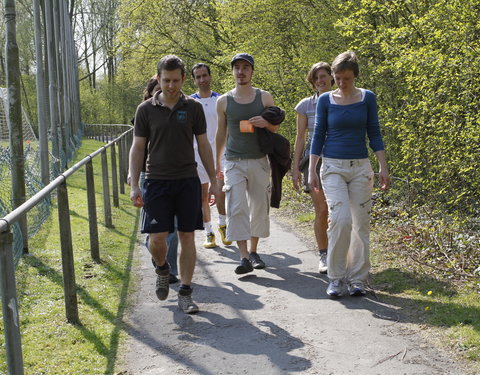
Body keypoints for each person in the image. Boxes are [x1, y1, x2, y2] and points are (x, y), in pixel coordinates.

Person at [129, 55, 219, 314]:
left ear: (183, 79)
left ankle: (186, 292)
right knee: (157, 240)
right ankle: (162, 269)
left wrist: (212, 179)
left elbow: (203, 145)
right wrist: (134, 183)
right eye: (166, 80)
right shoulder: (145, 110)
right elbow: (138, 147)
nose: (171, 86)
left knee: (187, 236)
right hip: (156, 181)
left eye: (176, 81)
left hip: (187, 180)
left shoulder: (193, 108)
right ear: (158, 79)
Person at [308, 51, 390, 298]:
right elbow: (318, 135)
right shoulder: (325, 100)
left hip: (360, 168)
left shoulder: (367, 98)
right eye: (338, 78)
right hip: (332, 167)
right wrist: (311, 169)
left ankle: (358, 279)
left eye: (347, 79)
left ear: (355, 76)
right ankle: (335, 277)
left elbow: (374, 132)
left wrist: (382, 166)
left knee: (360, 224)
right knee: (341, 219)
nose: (342, 83)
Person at [216, 53, 278, 275]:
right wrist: (217, 163)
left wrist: (265, 122)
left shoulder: (264, 98)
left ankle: (254, 251)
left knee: (259, 207)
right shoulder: (223, 101)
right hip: (233, 162)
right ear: (232, 72)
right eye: (237, 68)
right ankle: (243, 257)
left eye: (245, 68)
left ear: (252, 71)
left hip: (259, 160)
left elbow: (275, 128)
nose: (241, 72)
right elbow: (220, 133)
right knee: (237, 207)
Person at [128, 76, 180, 284]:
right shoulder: (143, 115)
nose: (162, 93)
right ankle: (159, 260)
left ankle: (171, 270)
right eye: (157, 90)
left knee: (174, 227)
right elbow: (135, 148)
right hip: (148, 176)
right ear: (149, 94)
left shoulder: (177, 114)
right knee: (155, 229)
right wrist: (133, 177)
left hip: (175, 177)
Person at [292, 62, 333, 274]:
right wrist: (295, 167)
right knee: (322, 209)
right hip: (313, 162)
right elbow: (300, 137)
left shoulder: (341, 99)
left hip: (338, 158)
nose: (320, 81)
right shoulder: (305, 105)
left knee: (338, 211)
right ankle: (324, 254)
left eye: (324, 76)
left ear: (331, 77)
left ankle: (339, 252)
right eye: (316, 78)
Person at [190, 63, 232, 248]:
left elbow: (230, 127)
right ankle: (208, 232)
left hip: (219, 154)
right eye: (198, 77)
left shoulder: (221, 100)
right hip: (197, 155)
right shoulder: (190, 102)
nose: (202, 79)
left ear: (210, 77)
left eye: (205, 75)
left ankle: (223, 225)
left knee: (219, 191)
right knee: (203, 197)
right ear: (193, 80)